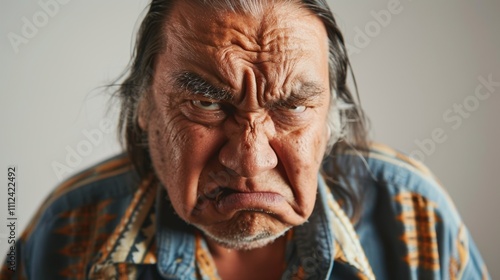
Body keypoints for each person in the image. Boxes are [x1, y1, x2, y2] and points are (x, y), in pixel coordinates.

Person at [1, 0, 490, 279]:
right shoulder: (69, 230)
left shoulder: (414, 215)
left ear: (332, 121)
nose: (250, 160)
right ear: (143, 109)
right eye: (207, 103)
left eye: (292, 107)